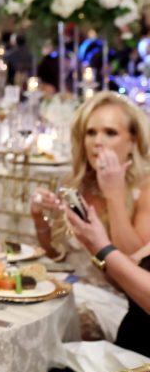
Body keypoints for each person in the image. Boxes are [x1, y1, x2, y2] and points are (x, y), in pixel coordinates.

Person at [30, 92, 150, 262]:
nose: (98, 141)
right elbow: (56, 256)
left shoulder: (145, 188)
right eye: (91, 133)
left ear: (132, 142)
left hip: (112, 289)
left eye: (110, 133)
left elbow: (137, 266)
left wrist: (114, 195)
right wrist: (38, 217)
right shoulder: (75, 182)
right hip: (71, 285)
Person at [64, 202, 150, 357]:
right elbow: (123, 279)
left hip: (138, 371)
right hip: (125, 352)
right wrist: (91, 244)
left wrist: (102, 247)